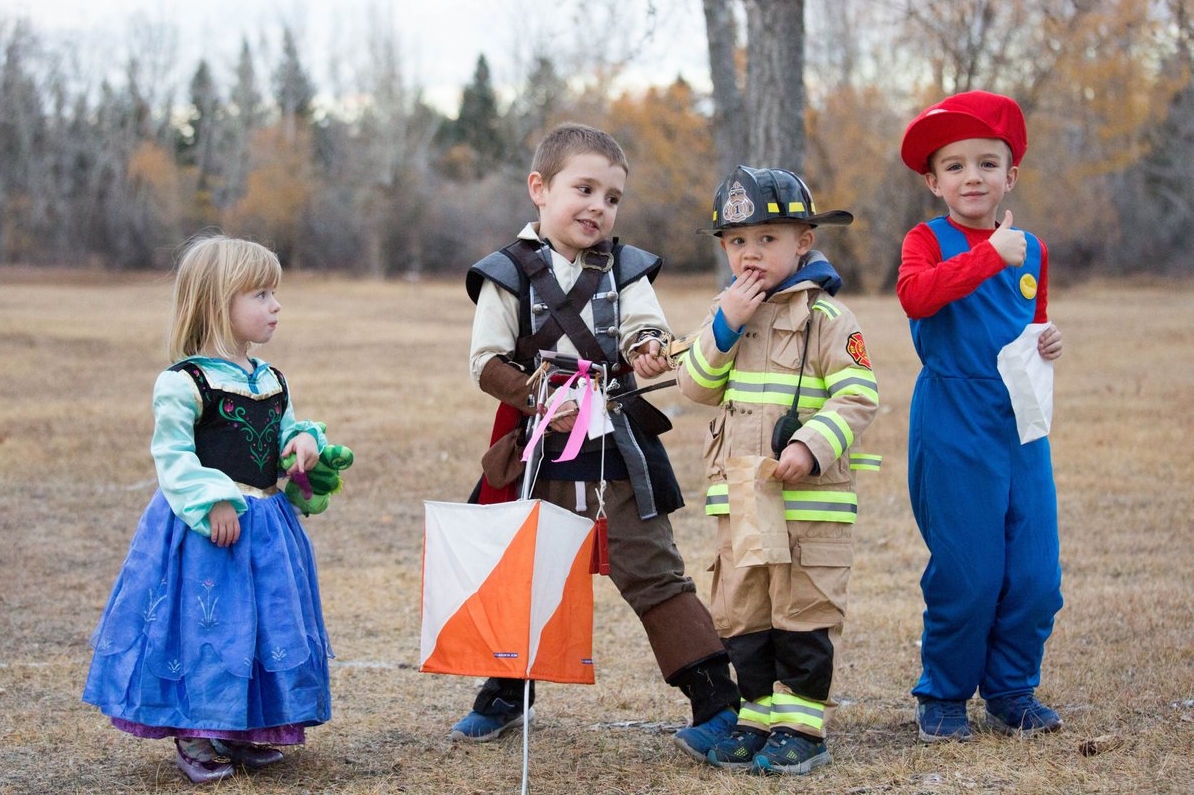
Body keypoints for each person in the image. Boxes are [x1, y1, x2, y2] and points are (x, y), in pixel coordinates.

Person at [455, 123, 740, 759]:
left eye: (612, 197)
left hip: (618, 444)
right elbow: (484, 362)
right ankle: (507, 689)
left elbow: (645, 330)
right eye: (583, 189)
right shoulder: (504, 274)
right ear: (540, 188)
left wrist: (645, 352)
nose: (598, 207)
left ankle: (718, 700)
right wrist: (539, 398)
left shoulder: (629, 269)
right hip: (540, 449)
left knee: (652, 569)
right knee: (528, 570)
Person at [83, 236, 333, 784]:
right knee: (206, 626)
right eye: (261, 294)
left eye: (275, 293)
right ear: (220, 303)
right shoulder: (184, 382)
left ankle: (239, 727)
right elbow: (172, 454)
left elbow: (283, 430)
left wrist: (303, 444)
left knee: (261, 623)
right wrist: (213, 498)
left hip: (265, 526)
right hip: (207, 533)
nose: (276, 305)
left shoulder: (269, 377)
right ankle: (196, 729)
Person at [675, 166, 880, 774]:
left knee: (802, 612)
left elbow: (858, 395)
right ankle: (758, 716)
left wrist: (811, 446)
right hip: (741, 499)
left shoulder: (828, 319)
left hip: (808, 504)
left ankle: (800, 727)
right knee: (743, 612)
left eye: (767, 239)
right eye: (738, 242)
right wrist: (725, 326)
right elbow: (695, 386)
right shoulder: (727, 314)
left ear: (803, 242)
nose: (751, 254)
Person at [897, 90, 1065, 742]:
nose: (974, 176)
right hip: (953, 419)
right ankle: (943, 694)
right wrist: (990, 253)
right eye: (957, 165)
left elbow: (1033, 321)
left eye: (988, 163)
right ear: (933, 180)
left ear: (1010, 176)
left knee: (1034, 573)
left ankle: (1012, 689)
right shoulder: (926, 239)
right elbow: (916, 297)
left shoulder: (1034, 249)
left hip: (1020, 424)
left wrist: (1050, 336)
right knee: (969, 571)